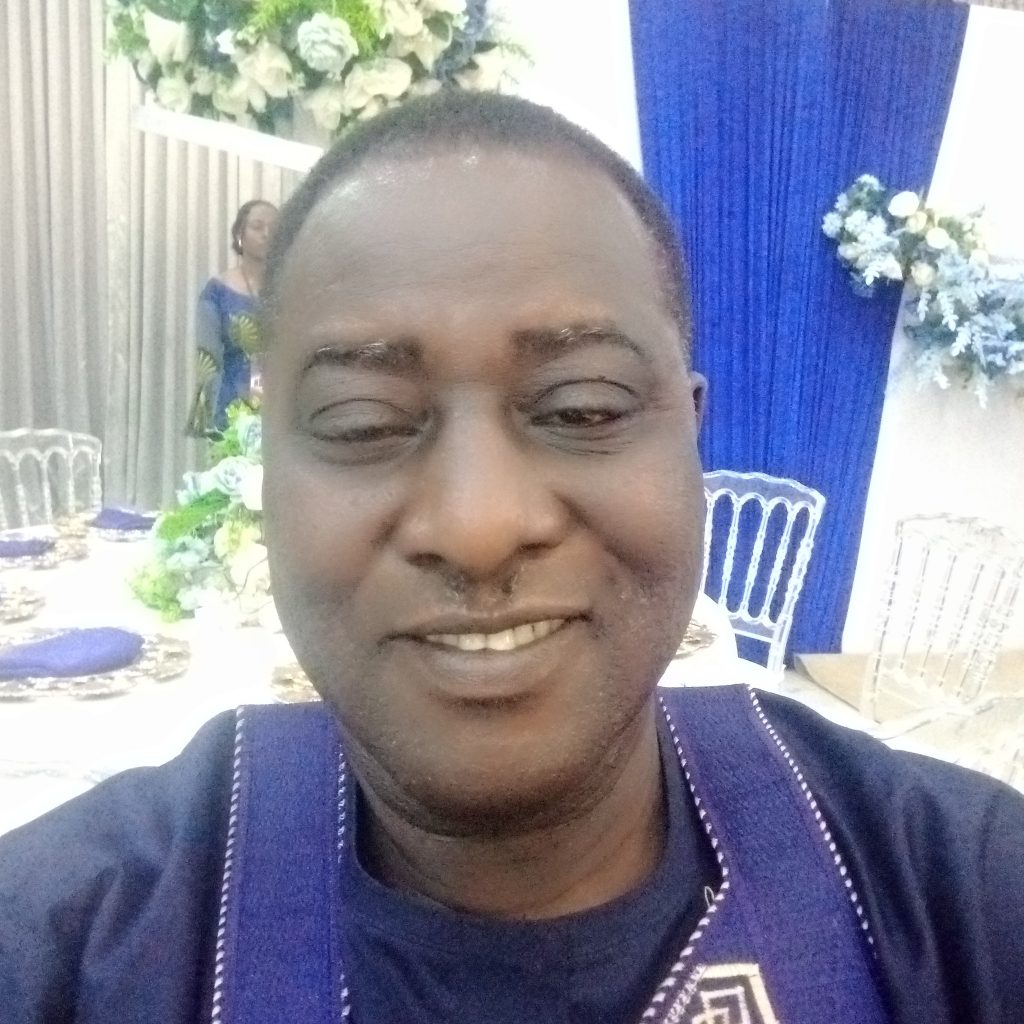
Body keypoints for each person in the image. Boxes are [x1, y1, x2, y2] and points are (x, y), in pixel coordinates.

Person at [2, 92, 1023, 1024]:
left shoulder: (959, 898)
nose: (479, 525)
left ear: (690, 436)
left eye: (583, 408)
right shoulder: (69, 939)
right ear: (265, 473)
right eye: (363, 423)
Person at [187, 199, 278, 434]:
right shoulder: (217, 291)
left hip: (282, 409)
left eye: (274, 228)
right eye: (257, 226)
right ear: (240, 235)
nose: (266, 234)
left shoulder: (291, 289)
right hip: (231, 407)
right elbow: (207, 358)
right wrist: (208, 417)